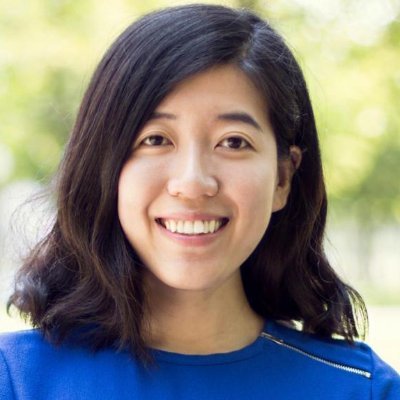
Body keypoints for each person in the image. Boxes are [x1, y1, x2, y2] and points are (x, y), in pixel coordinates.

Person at [0, 4, 399, 399]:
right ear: (103, 165)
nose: (192, 183)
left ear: (283, 178)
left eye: (234, 142)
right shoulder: (17, 380)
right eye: (156, 139)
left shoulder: (363, 389)